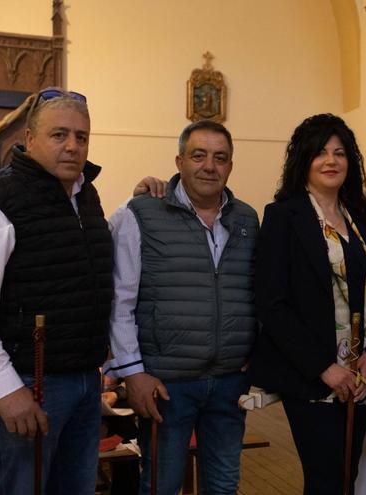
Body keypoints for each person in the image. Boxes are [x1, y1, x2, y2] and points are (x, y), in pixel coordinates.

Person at [0, 87, 114, 494]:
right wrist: (6, 391)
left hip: (83, 380)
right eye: (59, 135)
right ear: (30, 139)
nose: (73, 146)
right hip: (27, 382)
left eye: (81, 137)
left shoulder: (86, 196)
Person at [104, 120, 258, 495]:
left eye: (220, 158)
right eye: (198, 156)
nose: (209, 166)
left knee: (223, 486)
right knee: (161, 486)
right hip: (166, 384)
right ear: (179, 161)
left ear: (231, 166)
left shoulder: (247, 219)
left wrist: (258, 350)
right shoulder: (142, 213)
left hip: (228, 382)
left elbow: (259, 291)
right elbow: (119, 300)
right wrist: (133, 373)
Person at [248, 114, 366, 495]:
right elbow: (272, 304)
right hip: (313, 378)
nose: (331, 161)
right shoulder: (284, 217)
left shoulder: (360, 219)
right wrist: (325, 369)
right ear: (304, 161)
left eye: (340, 153)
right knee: (324, 479)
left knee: (347, 477)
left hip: (360, 378)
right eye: (321, 153)